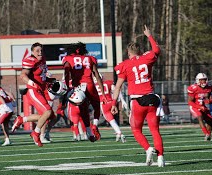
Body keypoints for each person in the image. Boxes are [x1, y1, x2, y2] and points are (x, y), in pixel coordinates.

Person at [111, 25, 165, 167]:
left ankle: (148, 148)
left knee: (136, 130)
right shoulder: (147, 58)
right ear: (140, 52)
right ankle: (161, 158)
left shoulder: (125, 65)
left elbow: (118, 87)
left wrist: (113, 104)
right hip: (152, 99)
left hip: (137, 101)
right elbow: (156, 50)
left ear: (128, 54)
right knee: (155, 131)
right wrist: (149, 35)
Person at [12, 42, 57, 147]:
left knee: (50, 116)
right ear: (32, 52)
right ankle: (36, 133)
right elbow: (23, 75)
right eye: (37, 51)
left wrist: (50, 80)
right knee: (47, 111)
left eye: (41, 50)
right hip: (33, 90)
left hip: (42, 89)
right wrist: (32, 83)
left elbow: (41, 77)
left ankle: (22, 119)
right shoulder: (30, 60)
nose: (40, 52)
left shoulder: (42, 60)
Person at [62, 42, 107, 141]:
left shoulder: (68, 59)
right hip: (90, 84)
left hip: (78, 87)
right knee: (96, 106)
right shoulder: (90, 58)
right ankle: (94, 125)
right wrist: (103, 94)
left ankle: (89, 132)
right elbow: (97, 76)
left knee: (83, 110)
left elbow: (66, 73)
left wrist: (67, 86)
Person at [93, 74, 126, 143]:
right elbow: (117, 90)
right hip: (111, 102)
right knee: (112, 119)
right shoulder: (108, 83)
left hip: (103, 103)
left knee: (110, 120)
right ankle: (119, 133)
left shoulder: (94, 86)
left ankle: (118, 132)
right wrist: (122, 100)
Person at [187, 73, 212, 141]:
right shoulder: (193, 88)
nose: (203, 82)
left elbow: (209, 97)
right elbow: (190, 102)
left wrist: (210, 100)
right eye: (201, 80)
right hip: (194, 106)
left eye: (204, 80)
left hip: (202, 106)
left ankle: (209, 135)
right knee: (200, 116)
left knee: (210, 120)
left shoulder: (209, 87)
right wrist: (199, 107)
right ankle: (206, 134)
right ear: (198, 80)